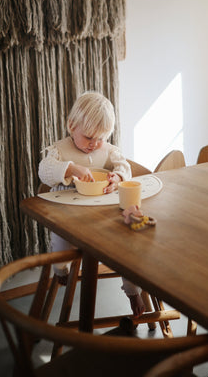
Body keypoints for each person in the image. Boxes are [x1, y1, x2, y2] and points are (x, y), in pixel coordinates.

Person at [38, 91, 145, 317]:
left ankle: (133, 291)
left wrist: (118, 177)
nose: (94, 144)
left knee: (129, 241)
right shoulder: (60, 150)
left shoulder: (108, 151)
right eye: (88, 137)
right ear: (71, 125)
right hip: (68, 217)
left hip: (103, 216)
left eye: (101, 139)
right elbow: (44, 172)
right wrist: (70, 168)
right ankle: (61, 270)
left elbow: (124, 166)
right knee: (59, 239)